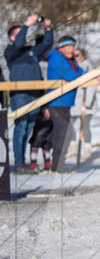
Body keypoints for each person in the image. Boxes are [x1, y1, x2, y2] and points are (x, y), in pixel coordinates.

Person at [5, 15, 53, 173]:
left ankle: (23, 162)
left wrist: (48, 28)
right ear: (12, 37)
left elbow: (46, 43)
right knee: (21, 127)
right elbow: (18, 42)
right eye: (18, 33)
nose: (23, 37)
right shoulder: (11, 51)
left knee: (29, 128)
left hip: (34, 94)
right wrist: (26, 25)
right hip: (20, 95)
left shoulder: (31, 51)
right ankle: (18, 162)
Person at [46, 35, 88, 172]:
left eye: (72, 47)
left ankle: (58, 164)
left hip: (65, 102)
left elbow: (80, 72)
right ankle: (58, 165)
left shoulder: (69, 59)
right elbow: (71, 76)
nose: (71, 50)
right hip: (57, 102)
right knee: (64, 133)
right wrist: (89, 75)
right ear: (61, 48)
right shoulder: (57, 58)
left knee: (64, 133)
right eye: (68, 47)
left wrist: (92, 74)